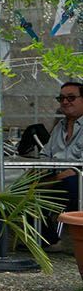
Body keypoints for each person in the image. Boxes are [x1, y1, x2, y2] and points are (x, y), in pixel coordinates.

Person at [46, 83, 83, 214]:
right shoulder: (58, 127)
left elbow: (78, 168)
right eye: (61, 98)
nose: (65, 102)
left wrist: (52, 181)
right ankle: (46, 235)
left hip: (76, 181)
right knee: (24, 195)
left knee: (73, 183)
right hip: (59, 182)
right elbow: (45, 157)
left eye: (71, 97)